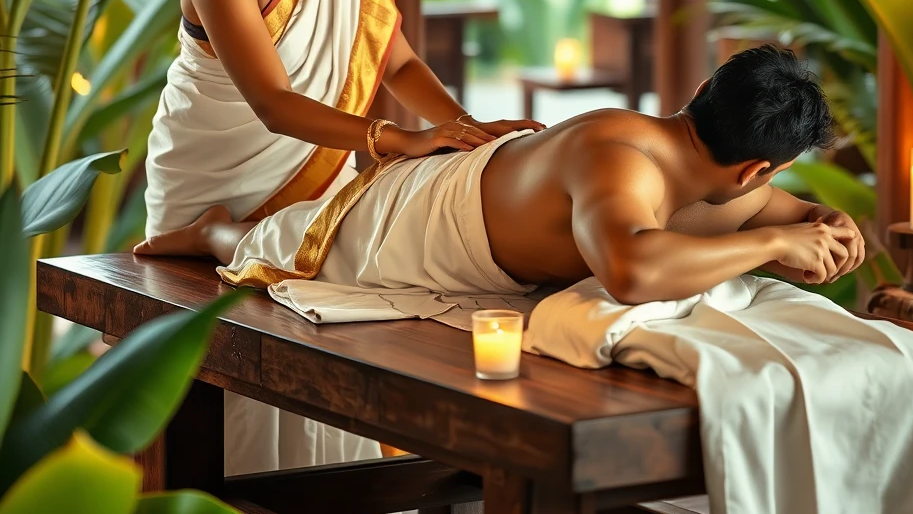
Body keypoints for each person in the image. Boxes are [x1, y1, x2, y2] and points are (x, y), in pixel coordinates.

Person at [140, 0, 541, 514]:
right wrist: (395, 139)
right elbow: (273, 104)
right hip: (214, 171)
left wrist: (457, 128)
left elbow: (402, 62)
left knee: (315, 346)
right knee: (238, 377)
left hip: (311, 182)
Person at [139, 46, 867, 317]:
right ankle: (213, 228)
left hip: (478, 207)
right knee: (268, 247)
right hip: (397, 220)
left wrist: (823, 223)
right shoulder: (622, 161)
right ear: (751, 167)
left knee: (727, 227)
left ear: (706, 86)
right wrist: (774, 238)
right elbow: (633, 272)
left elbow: (770, 207)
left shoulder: (678, 153)